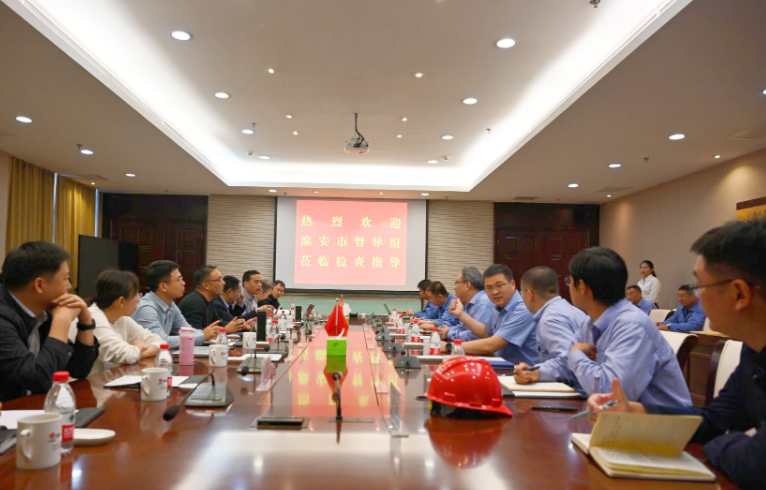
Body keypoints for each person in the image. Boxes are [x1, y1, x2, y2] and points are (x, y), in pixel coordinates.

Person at [587, 219, 766, 489]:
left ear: (739, 293)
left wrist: (720, 444)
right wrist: (639, 414)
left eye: (699, 286)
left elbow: (756, 464)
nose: (696, 296)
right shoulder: (754, 349)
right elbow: (717, 418)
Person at [529, 247, 691, 406]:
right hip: (615, 416)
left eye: (569, 281)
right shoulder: (591, 321)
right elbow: (566, 362)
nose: (568, 287)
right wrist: (535, 372)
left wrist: (576, 354)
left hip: (658, 421)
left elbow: (611, 393)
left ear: (582, 287)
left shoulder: (631, 326)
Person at [0, 242, 98, 402]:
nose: (69, 286)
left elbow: (78, 369)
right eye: (65, 279)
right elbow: (38, 380)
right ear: (39, 285)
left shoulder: (43, 311)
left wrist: (85, 321)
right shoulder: (3, 318)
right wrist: (62, 321)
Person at [514, 266, 590, 385]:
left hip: (576, 390)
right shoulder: (571, 310)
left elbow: (568, 363)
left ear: (529, 294)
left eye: (521, 293)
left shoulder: (550, 319)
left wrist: (536, 372)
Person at [449, 264, 537, 365]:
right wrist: (461, 314)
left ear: (512, 284)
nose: (495, 292)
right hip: (503, 365)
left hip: (524, 371)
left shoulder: (523, 308)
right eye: (489, 288)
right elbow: (486, 332)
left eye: (499, 285)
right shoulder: (498, 307)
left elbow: (491, 345)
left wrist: (450, 346)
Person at [82, 270, 163, 375]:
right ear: (121, 301)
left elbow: (160, 342)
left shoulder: (122, 318)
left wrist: (138, 351)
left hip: (109, 380)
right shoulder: (93, 318)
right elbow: (125, 355)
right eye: (136, 295)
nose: (139, 300)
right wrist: (139, 347)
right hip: (86, 383)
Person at [133, 260, 219, 349]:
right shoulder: (146, 309)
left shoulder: (170, 304)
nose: (183, 283)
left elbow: (187, 330)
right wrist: (202, 336)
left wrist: (209, 333)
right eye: (178, 279)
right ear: (163, 286)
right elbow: (162, 341)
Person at [178, 266, 247, 333]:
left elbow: (218, 323)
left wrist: (241, 325)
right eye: (219, 280)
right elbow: (194, 334)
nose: (223, 283)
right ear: (206, 285)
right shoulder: (195, 302)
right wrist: (224, 330)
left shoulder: (208, 300)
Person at [441, 267, 493, 341]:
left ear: (468, 285)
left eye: (456, 283)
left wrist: (448, 333)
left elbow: (476, 336)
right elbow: (463, 327)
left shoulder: (483, 302)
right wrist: (446, 330)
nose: (454, 288)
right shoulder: (468, 303)